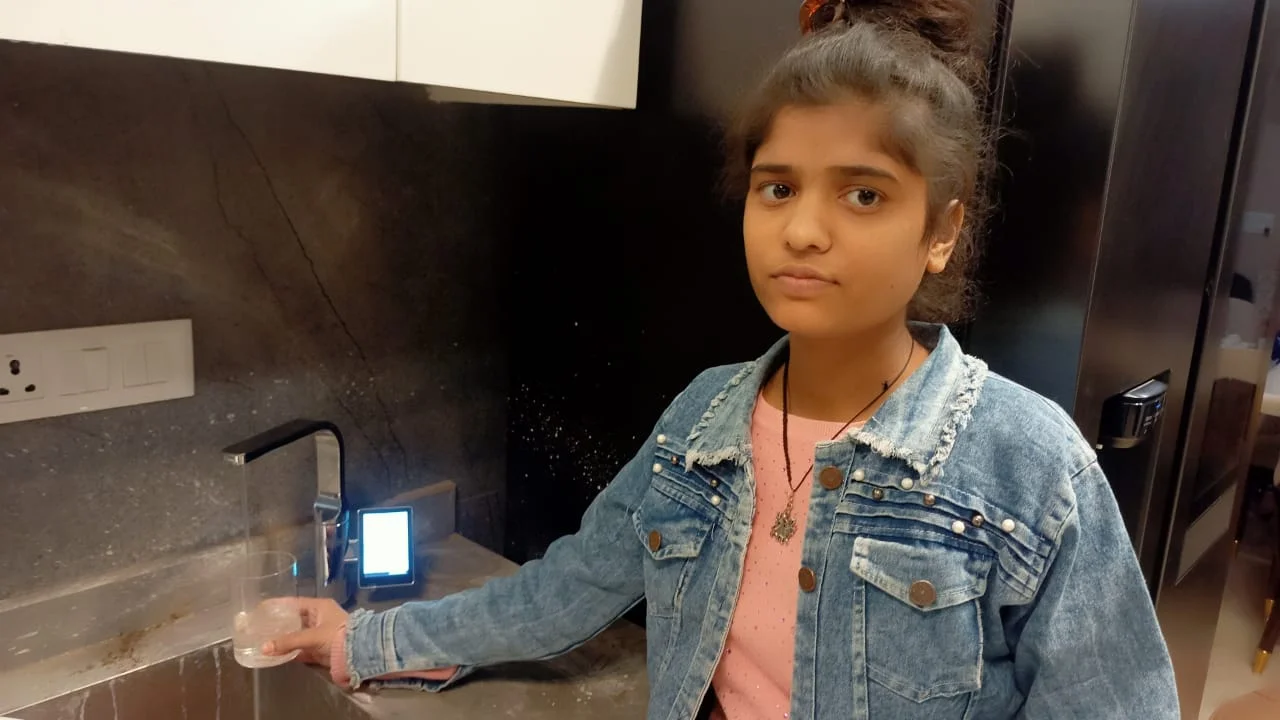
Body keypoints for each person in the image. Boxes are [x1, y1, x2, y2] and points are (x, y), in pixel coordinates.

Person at [263, 1, 1181, 717]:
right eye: (777, 187)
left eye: (864, 194)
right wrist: (359, 641)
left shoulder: (1027, 464)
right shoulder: (702, 425)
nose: (805, 230)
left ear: (941, 231)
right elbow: (563, 594)